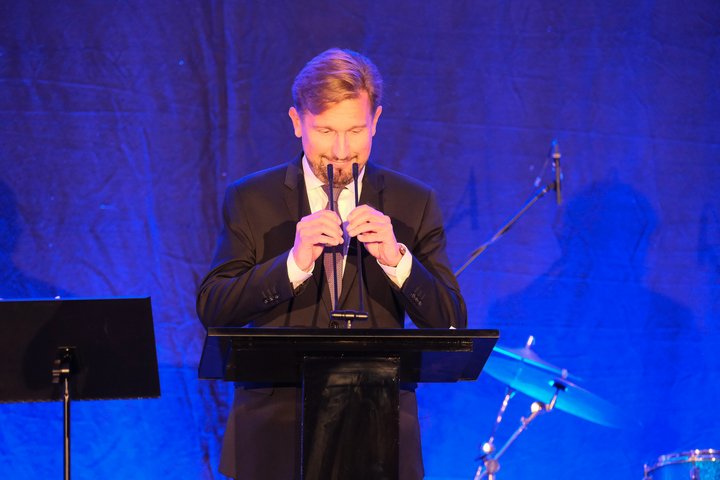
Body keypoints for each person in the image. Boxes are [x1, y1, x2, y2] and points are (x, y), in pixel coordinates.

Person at [197, 48, 467, 480]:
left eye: (355, 130)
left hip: (380, 435)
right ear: (296, 122)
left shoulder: (413, 203)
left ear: (376, 121)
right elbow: (214, 306)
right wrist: (292, 264)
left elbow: (451, 321)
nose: (341, 151)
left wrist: (397, 261)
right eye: (325, 130)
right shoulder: (251, 199)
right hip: (275, 435)